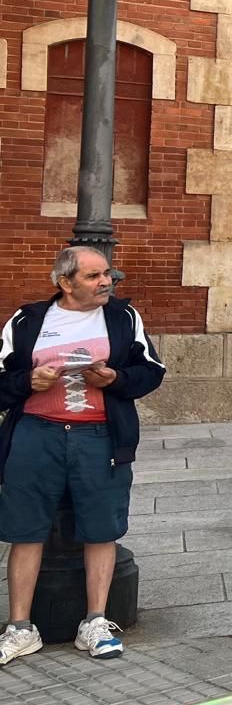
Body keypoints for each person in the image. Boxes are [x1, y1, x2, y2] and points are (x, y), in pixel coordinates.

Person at [0, 247, 165, 668]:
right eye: (93, 276)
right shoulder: (28, 319)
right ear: (65, 282)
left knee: (100, 528)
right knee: (26, 529)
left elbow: (151, 373)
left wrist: (115, 378)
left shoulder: (123, 318)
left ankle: (95, 621)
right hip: (36, 434)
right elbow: (2, 380)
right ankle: (20, 627)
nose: (106, 282)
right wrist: (27, 381)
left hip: (99, 436)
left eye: (107, 273)